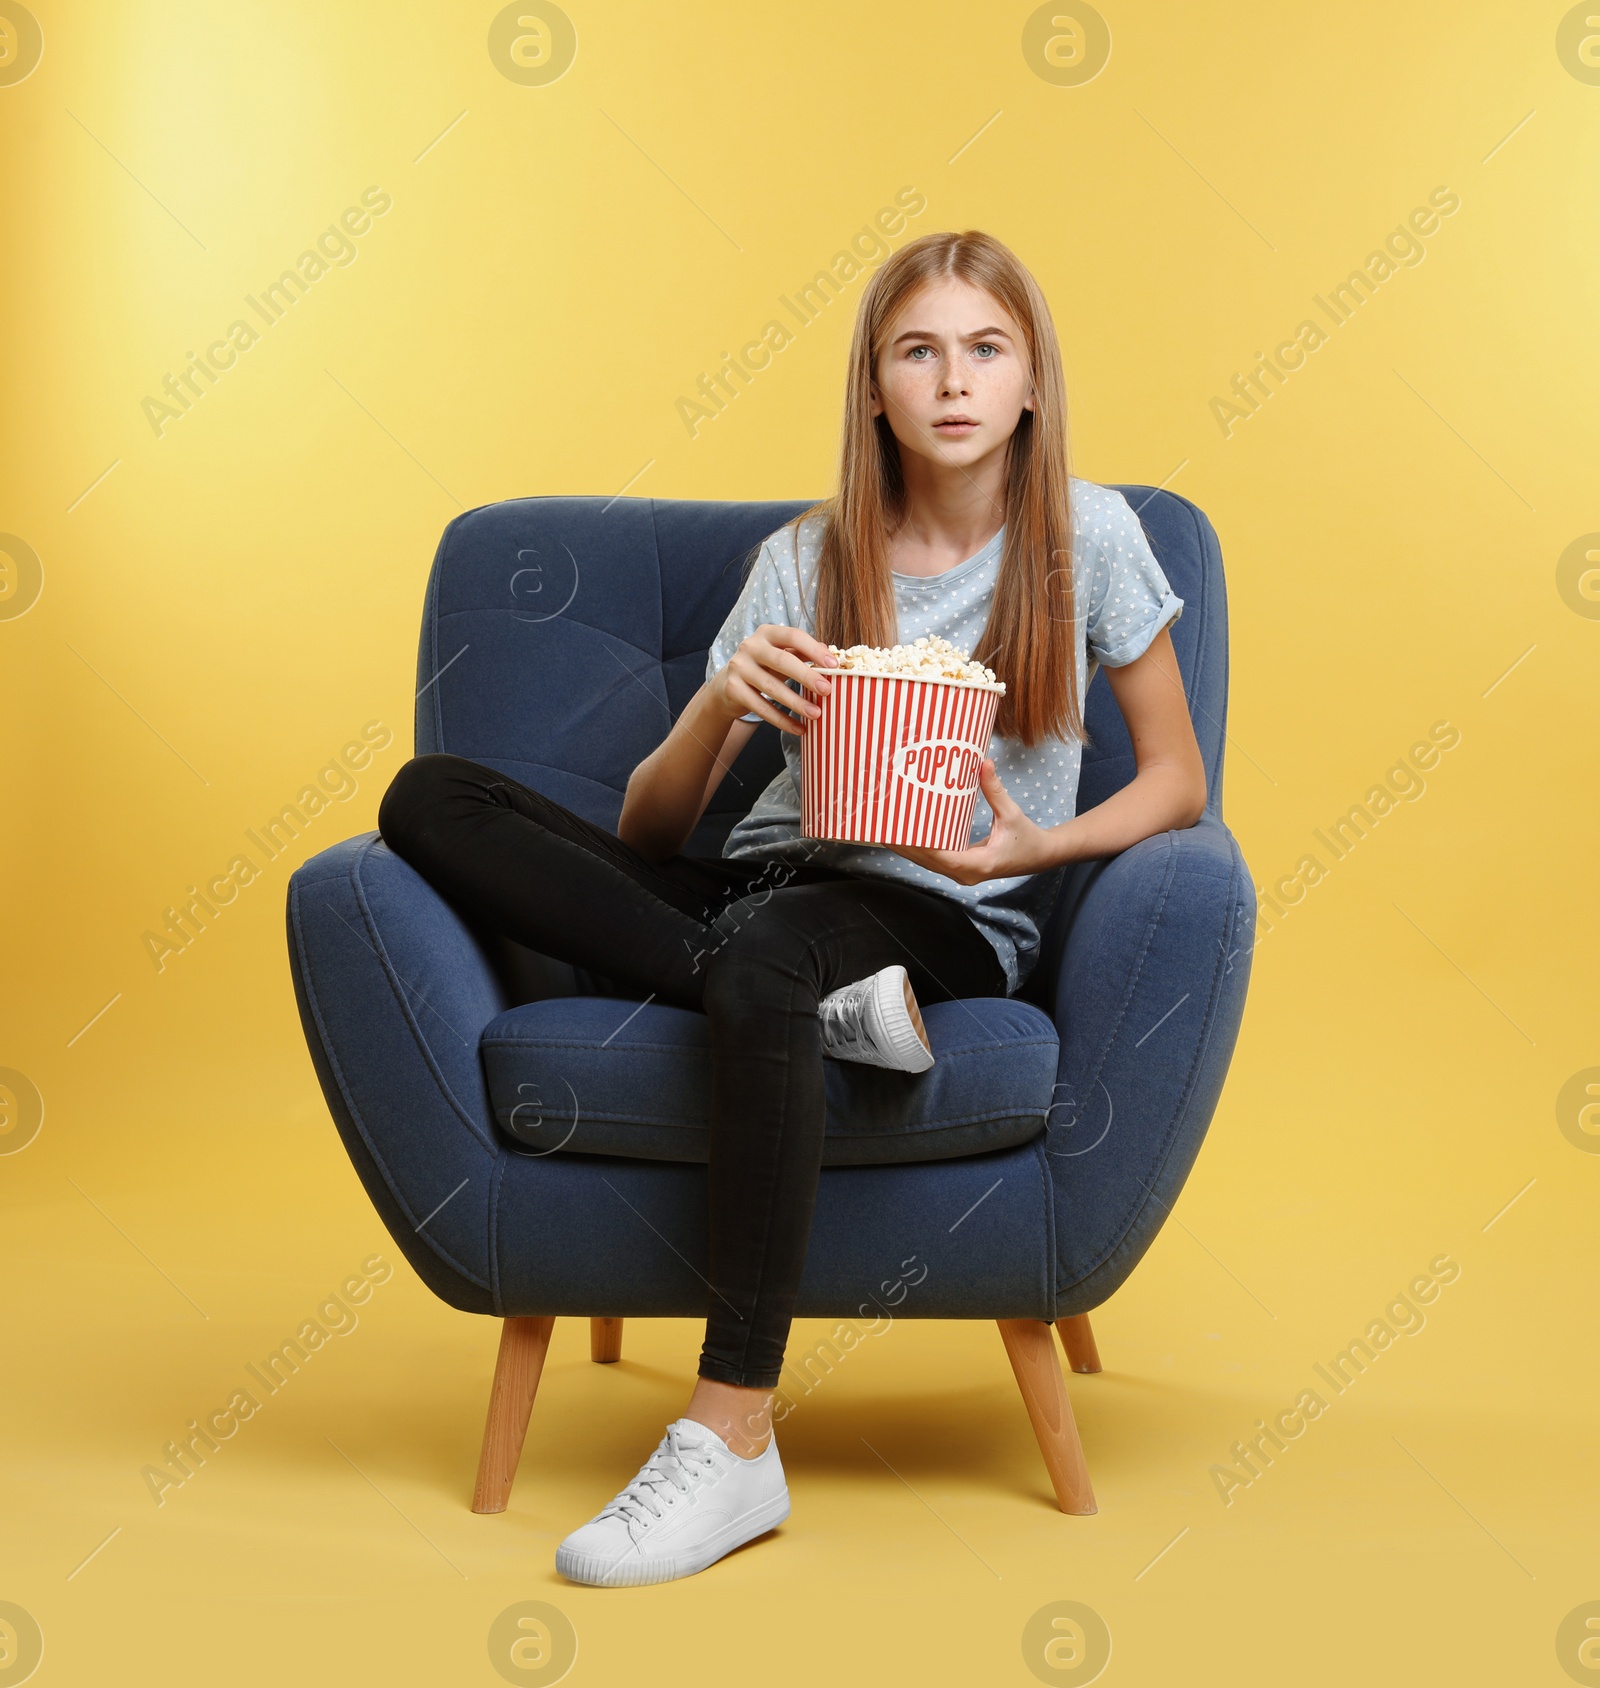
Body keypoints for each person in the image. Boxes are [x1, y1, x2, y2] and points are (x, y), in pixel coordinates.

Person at [375, 228, 1207, 1587]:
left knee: (767, 956)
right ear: (873, 388)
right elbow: (651, 828)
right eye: (918, 350)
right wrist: (720, 699)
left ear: (1032, 381)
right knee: (427, 797)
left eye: (985, 349)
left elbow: (1178, 781)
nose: (953, 380)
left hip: (940, 909)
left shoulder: (1090, 538)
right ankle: (811, 1012)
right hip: (764, 885)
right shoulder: (813, 555)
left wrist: (1032, 849)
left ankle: (733, 1430)